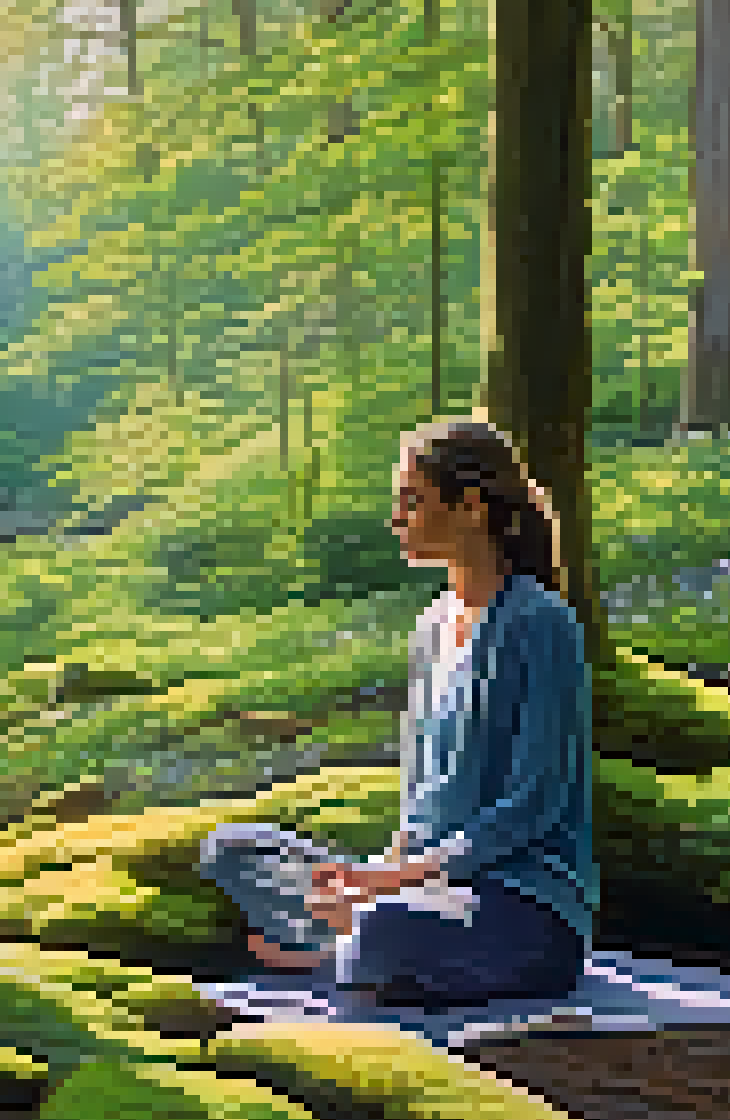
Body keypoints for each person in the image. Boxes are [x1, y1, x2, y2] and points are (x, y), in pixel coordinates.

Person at [196, 419, 597, 1007]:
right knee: (231, 850)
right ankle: (351, 935)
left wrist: (384, 888)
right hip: (419, 885)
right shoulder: (431, 628)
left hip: (518, 904)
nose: (397, 520)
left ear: (471, 506)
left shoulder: (541, 624)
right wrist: (378, 872)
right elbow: (419, 795)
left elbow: (532, 808)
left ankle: (343, 948)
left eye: (412, 501)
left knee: (389, 930)